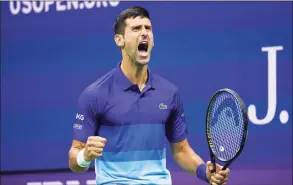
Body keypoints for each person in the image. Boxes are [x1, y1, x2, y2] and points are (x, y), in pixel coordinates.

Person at [68, 6, 230, 185]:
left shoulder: (169, 93)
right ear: (119, 40)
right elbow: (75, 161)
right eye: (136, 29)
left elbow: (181, 150)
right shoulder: (95, 94)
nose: (144, 33)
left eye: (148, 28)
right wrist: (85, 155)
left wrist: (205, 172)